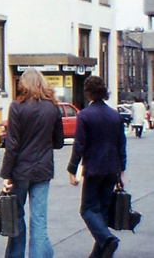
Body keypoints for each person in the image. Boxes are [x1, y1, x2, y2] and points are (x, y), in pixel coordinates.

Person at [0, 68, 64, 258]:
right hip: (43, 170)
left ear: (23, 85)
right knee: (39, 220)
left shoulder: (17, 107)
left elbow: (12, 145)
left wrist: (6, 175)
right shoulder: (53, 107)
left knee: (16, 216)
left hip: (20, 171)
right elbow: (59, 142)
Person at [67, 76, 127, 258]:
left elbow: (79, 145)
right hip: (112, 169)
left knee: (87, 209)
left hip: (93, 168)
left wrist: (72, 169)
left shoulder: (85, 115)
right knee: (101, 211)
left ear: (88, 93)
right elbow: (121, 145)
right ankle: (99, 253)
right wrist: (122, 171)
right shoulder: (115, 116)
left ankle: (108, 240)